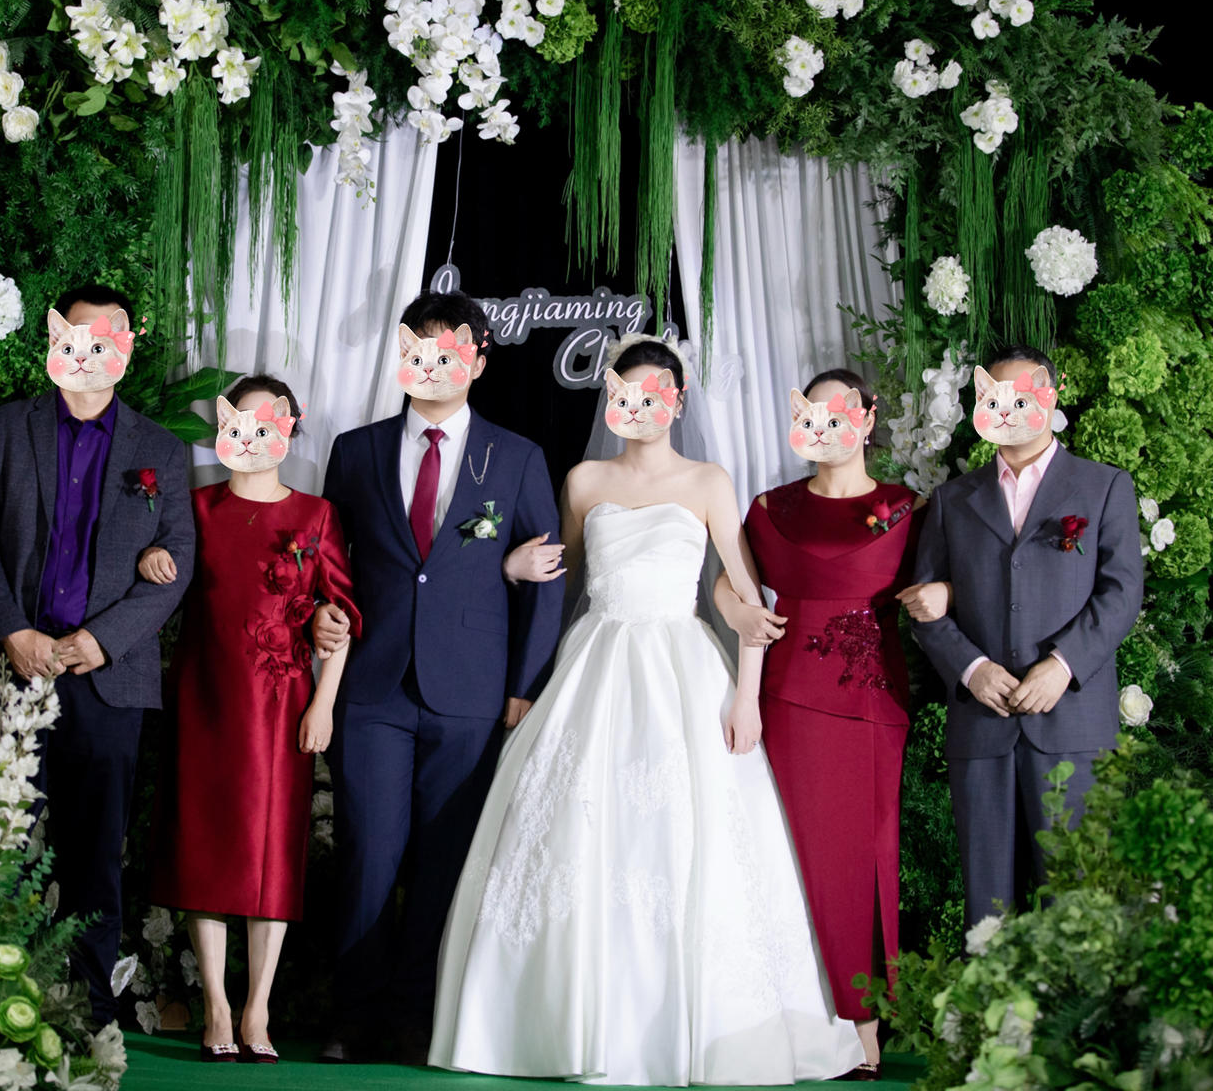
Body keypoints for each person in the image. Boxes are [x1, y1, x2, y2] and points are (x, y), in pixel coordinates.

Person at [427, 338, 866, 1087]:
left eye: (652, 394)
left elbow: (747, 596)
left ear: (678, 400)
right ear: (610, 401)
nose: (636, 407)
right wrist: (508, 569)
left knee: (691, 841)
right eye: (623, 395)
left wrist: (747, 695)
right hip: (593, 666)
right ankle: (553, 1025)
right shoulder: (584, 480)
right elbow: (558, 582)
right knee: (573, 834)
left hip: (681, 670)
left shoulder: (708, 481)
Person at [308, 291, 565, 1063]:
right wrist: (321, 616)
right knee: (368, 852)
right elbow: (329, 561)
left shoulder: (516, 457)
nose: (432, 366)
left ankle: (419, 1016)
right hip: (372, 689)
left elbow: (546, 577)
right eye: (417, 352)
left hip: (472, 693)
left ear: (477, 361)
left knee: (444, 862)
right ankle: (353, 1015)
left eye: (449, 352)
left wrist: (522, 689)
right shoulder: (356, 451)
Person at [0, 282, 197, 1025]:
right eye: (73, 339)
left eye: (102, 340)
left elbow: (178, 556)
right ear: (55, 344)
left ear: (124, 347)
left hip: (106, 679)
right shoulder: (3, 429)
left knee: (94, 853)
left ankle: (87, 1015)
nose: (86, 353)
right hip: (5, 666)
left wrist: (101, 640)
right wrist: (12, 631)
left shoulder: (160, 449)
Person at [712, 368, 949, 1081]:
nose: (824, 428)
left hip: (871, 703)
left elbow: (948, 585)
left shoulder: (907, 509)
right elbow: (731, 581)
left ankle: (863, 1024)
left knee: (862, 858)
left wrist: (943, 591)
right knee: (786, 855)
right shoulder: (771, 507)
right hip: (784, 699)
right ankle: (789, 1019)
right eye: (810, 415)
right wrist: (737, 611)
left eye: (839, 414)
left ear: (868, 418)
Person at [147, 375, 359, 1063]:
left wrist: (324, 703)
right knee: (203, 847)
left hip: (280, 706)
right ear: (222, 429)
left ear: (288, 429)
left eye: (265, 426)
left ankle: (257, 1007)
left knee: (272, 853)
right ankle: (214, 1004)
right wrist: (152, 555)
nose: (249, 438)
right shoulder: (196, 507)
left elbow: (341, 616)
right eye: (237, 425)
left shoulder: (315, 516)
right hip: (203, 698)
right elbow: (160, 580)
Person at [909, 344, 1144, 927]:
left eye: (1021, 397)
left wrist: (1062, 666)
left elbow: (1121, 595)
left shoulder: (1104, 487)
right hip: (981, 727)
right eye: (994, 399)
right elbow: (924, 605)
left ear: (1050, 396)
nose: (1007, 410)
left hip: (1072, 726)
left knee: (1076, 908)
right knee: (987, 912)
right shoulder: (952, 500)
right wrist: (972, 670)